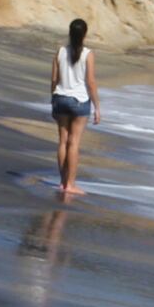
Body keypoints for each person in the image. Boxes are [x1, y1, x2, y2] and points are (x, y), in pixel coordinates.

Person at [49, 17, 98, 196]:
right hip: (79, 101)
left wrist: (52, 100)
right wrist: (97, 107)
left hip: (60, 98)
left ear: (70, 33)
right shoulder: (88, 54)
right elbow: (91, 82)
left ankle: (62, 183)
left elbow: (54, 79)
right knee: (74, 142)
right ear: (84, 34)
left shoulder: (60, 52)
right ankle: (71, 184)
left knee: (63, 141)